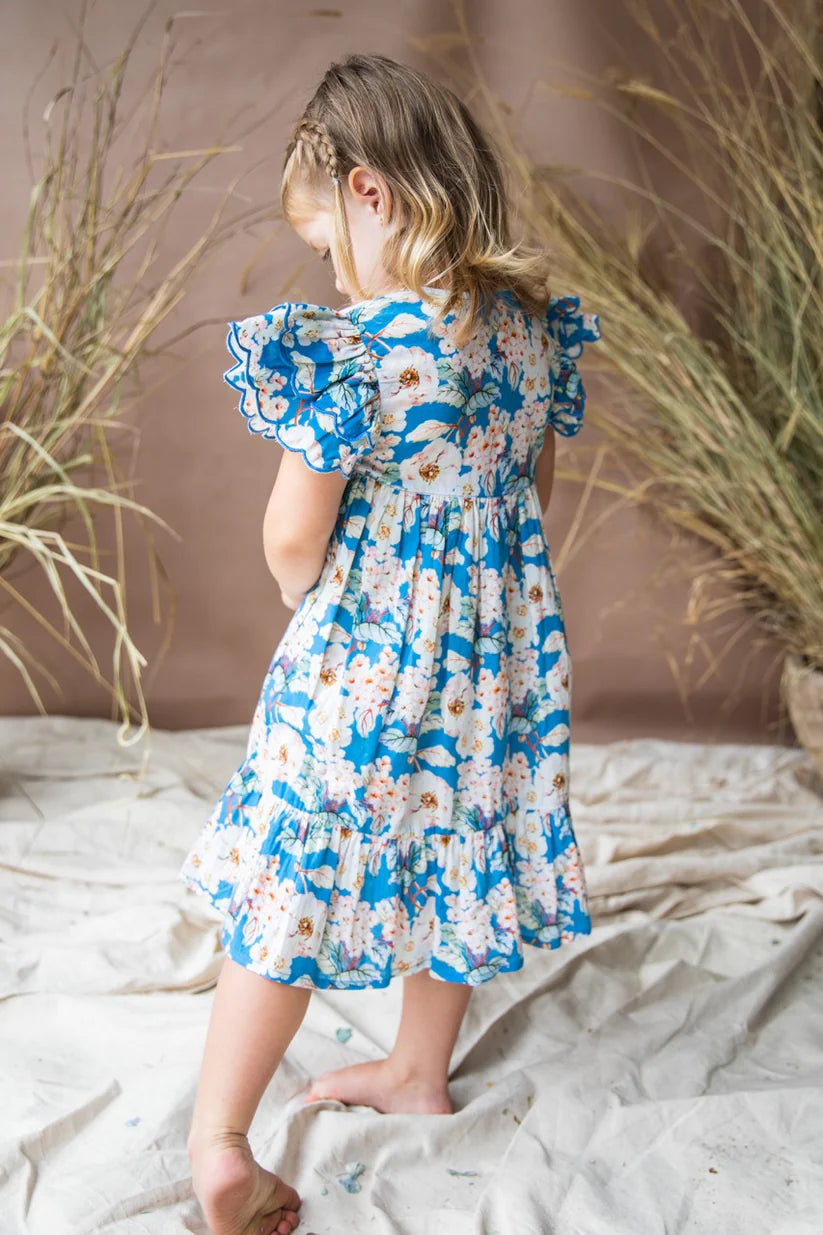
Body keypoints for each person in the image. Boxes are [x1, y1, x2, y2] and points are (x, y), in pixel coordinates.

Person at [179, 51, 601, 1235]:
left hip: (365, 657)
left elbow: (291, 531)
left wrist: (303, 595)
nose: (329, 270)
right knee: (462, 829)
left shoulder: (362, 348)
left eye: (325, 241)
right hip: (498, 661)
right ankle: (419, 1066)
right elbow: (533, 492)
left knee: (296, 865)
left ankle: (221, 1140)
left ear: (369, 192)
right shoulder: (530, 332)